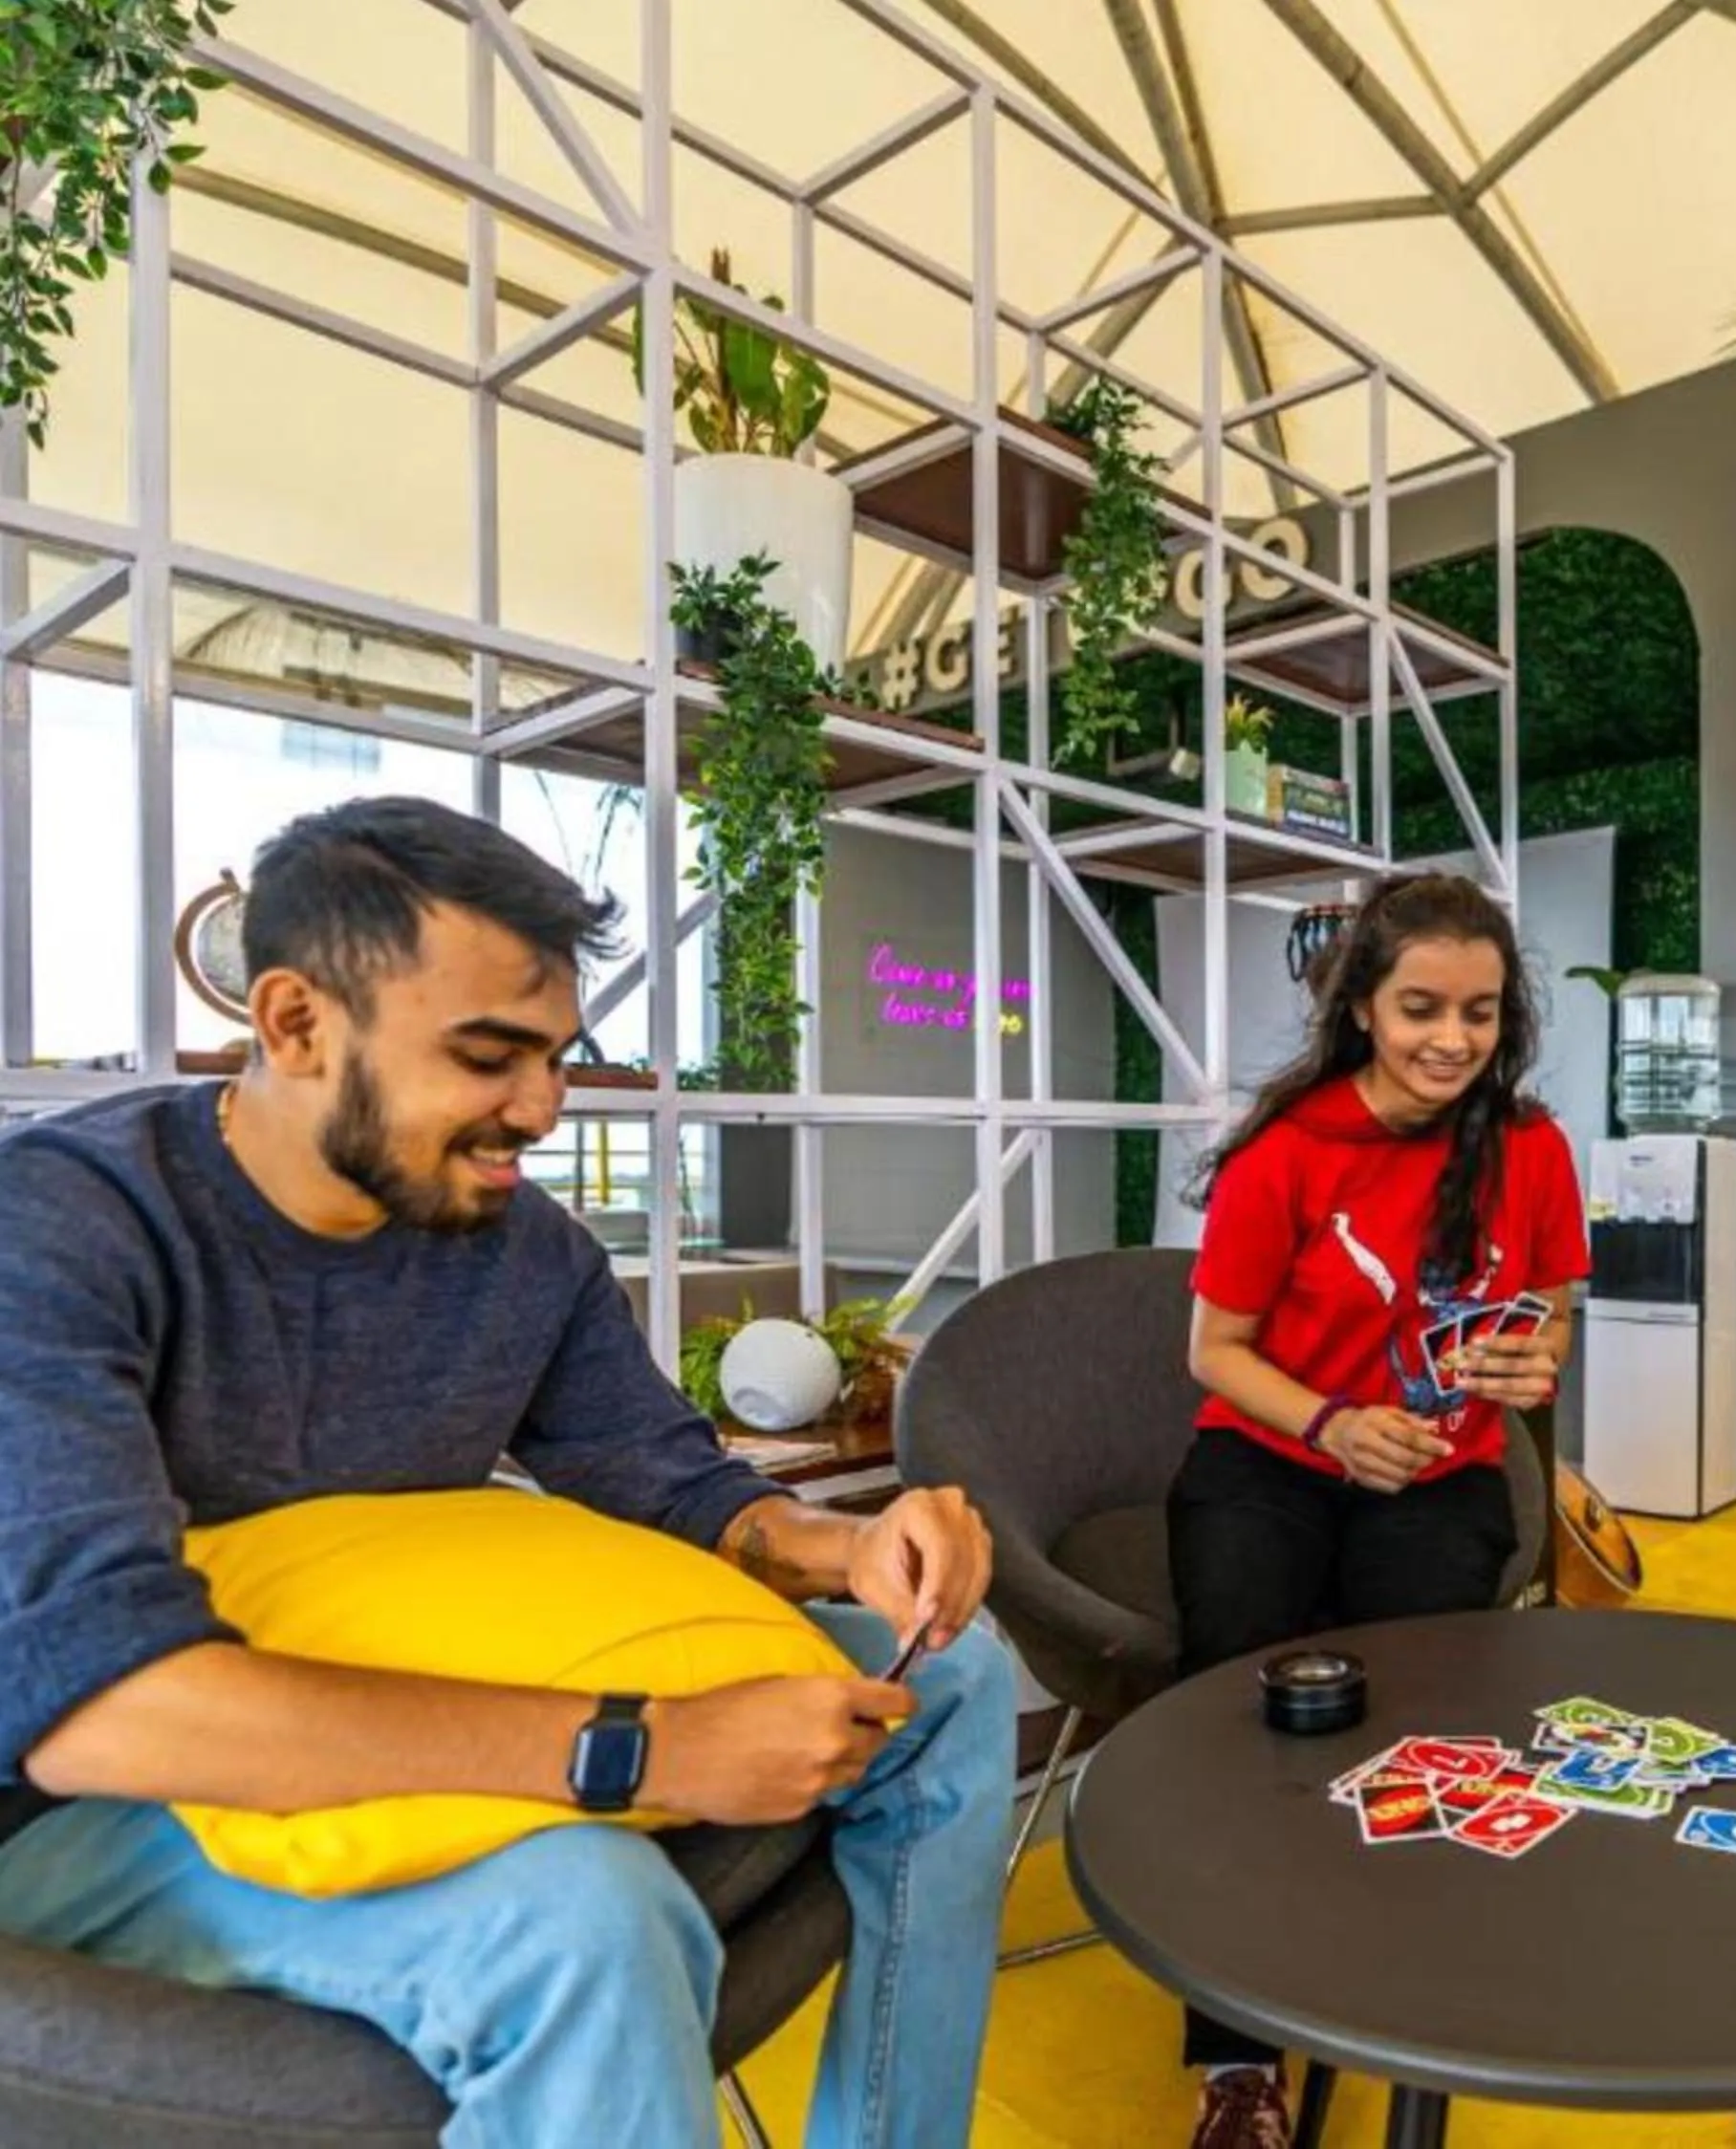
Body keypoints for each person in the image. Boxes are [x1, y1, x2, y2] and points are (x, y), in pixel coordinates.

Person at [0, 796, 1015, 2149]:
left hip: (383, 1677)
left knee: (952, 1673)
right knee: (589, 1914)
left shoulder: (518, 1244)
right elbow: (100, 1710)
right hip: (81, 1806)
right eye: (489, 1057)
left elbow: (663, 1477)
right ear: (296, 1023)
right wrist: (645, 1747)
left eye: (554, 1056)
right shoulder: (62, 1227)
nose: (540, 1109)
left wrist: (854, 1545)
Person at [1168, 871, 1589, 2149]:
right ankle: (1238, 2060)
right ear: (1360, 1005)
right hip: (1273, 1456)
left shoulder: (1530, 1147)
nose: (1451, 1039)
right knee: (1246, 1717)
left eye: (1478, 1011)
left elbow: (1553, 1307)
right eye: (1420, 1007)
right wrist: (1334, 1424)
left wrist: (1534, 1359)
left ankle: (1390, 1977)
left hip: (1440, 1473)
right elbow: (1214, 1350)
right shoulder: (1285, 1153)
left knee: (1422, 1718)